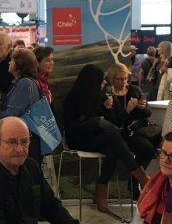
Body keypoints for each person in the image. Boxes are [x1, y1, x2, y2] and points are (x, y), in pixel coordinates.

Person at [63, 64, 149, 213]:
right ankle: (141, 177)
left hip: (94, 137)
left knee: (114, 147)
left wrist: (106, 107)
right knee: (113, 138)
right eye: (101, 80)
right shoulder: (73, 97)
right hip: (77, 139)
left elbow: (115, 121)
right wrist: (97, 120)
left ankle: (101, 190)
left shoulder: (100, 95)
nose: (103, 82)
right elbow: (72, 126)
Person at [104, 62, 157, 177]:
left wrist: (144, 107)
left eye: (125, 78)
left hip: (139, 129)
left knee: (159, 142)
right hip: (122, 134)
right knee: (147, 148)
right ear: (112, 79)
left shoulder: (134, 89)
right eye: (120, 79)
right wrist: (127, 110)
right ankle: (137, 179)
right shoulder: (109, 95)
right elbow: (114, 122)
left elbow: (148, 113)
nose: (124, 82)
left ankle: (136, 180)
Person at [0, 48, 44, 163]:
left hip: (24, 140)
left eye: (12, 60)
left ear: (19, 64)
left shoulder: (24, 83)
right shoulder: (27, 82)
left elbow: (12, 115)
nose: (9, 62)